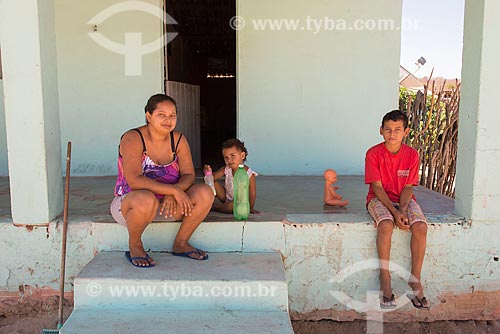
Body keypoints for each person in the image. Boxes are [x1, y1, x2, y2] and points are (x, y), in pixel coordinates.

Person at [110, 94, 214, 267]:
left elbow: (189, 174)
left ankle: (181, 243)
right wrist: (173, 191)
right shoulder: (133, 138)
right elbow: (135, 181)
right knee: (145, 197)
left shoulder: (178, 139)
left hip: (168, 206)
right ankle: (135, 245)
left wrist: (175, 193)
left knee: (204, 192)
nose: (168, 120)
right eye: (161, 115)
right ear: (148, 116)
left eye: (172, 115)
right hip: (132, 208)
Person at [365, 109, 429, 309]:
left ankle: (415, 278)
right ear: (381, 131)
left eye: (397, 129)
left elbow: (408, 187)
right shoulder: (373, 153)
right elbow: (376, 187)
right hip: (378, 198)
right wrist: (395, 214)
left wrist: (401, 209)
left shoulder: (412, 155)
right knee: (385, 225)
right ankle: (385, 277)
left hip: (404, 199)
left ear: (406, 131)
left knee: (420, 227)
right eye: (388, 129)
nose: (392, 134)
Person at [203, 138, 259, 214]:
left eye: (232, 156)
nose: (229, 160)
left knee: (233, 206)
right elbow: (213, 177)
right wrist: (208, 173)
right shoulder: (226, 169)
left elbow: (252, 193)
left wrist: (250, 207)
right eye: (226, 157)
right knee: (214, 182)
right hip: (226, 197)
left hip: (240, 203)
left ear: (242, 156)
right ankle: (222, 205)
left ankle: (216, 207)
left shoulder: (248, 173)